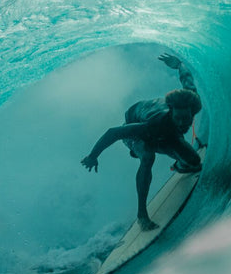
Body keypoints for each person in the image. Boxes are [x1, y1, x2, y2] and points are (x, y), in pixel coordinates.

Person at [81, 53, 204, 231]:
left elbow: (186, 77)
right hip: (137, 129)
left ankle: (179, 164)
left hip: (164, 131)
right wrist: (93, 156)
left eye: (187, 118)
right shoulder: (154, 124)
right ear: (171, 112)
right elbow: (113, 132)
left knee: (194, 162)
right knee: (147, 156)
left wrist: (178, 64)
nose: (183, 122)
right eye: (178, 118)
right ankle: (142, 216)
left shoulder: (190, 99)